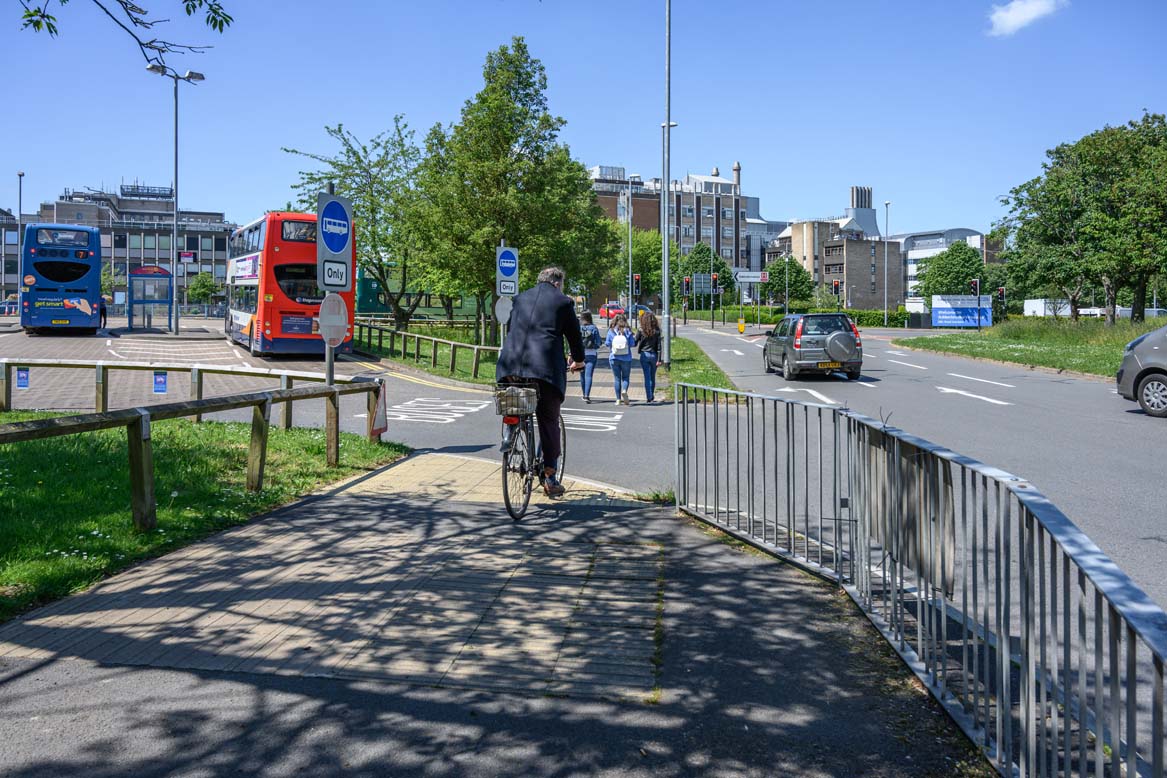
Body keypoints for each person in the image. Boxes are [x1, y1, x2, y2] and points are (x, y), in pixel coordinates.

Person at [495, 266, 585, 497]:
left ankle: (511, 431)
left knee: (514, 404)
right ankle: (550, 475)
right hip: (543, 371)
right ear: (557, 283)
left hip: (509, 367)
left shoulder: (520, 298)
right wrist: (579, 361)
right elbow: (575, 338)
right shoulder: (563, 303)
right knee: (548, 420)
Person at [605, 313, 636, 406]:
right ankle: (624, 390)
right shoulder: (628, 331)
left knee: (617, 378)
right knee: (626, 377)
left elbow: (607, 343)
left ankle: (618, 399)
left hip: (614, 358)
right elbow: (632, 344)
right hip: (626, 358)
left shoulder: (611, 331)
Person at [637, 311, 662, 403]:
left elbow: (635, 341)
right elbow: (659, 346)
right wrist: (659, 359)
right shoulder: (657, 330)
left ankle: (649, 396)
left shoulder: (641, 330)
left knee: (647, 377)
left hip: (644, 355)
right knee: (652, 376)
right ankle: (651, 395)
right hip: (654, 355)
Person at [579, 311, 601, 403]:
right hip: (591, 354)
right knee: (589, 375)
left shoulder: (579, 328)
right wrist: (594, 346)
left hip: (580, 355)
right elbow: (598, 342)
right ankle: (587, 396)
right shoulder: (594, 328)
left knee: (582, 376)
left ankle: (584, 394)